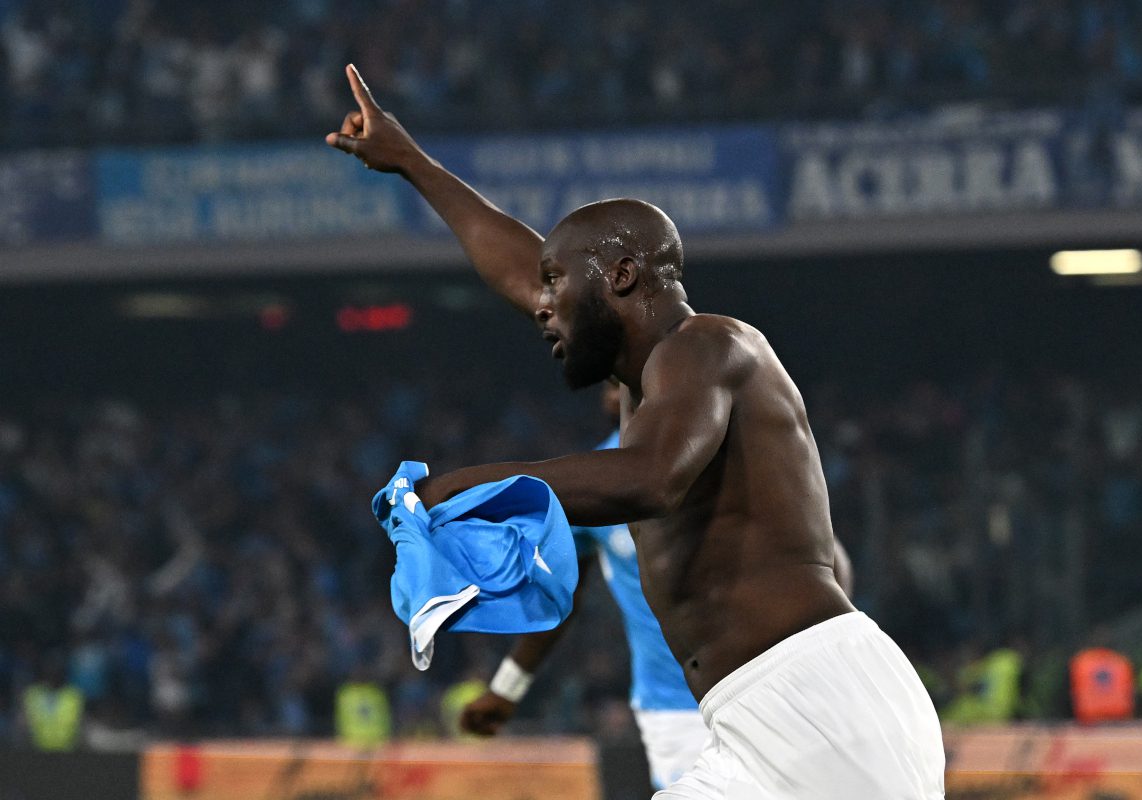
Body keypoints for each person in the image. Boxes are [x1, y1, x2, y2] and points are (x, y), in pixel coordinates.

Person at [327, 64, 945, 798]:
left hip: (821, 705)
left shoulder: (712, 346)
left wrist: (458, 487)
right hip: (750, 720)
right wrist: (412, 164)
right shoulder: (646, 377)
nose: (543, 305)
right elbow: (520, 272)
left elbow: (651, 478)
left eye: (559, 284)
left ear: (619, 277)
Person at [461, 380, 711, 791]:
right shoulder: (592, 482)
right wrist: (507, 688)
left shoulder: (720, 456)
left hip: (761, 686)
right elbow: (561, 595)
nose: (611, 394)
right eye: (609, 385)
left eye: (624, 383)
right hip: (673, 708)